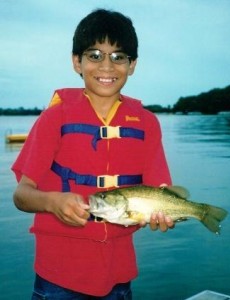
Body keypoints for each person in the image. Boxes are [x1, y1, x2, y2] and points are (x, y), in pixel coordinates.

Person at [12, 8, 174, 300]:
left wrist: (165, 212)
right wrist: (52, 201)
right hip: (57, 277)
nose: (107, 67)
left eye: (118, 56)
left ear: (133, 64)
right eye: (95, 55)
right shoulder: (54, 118)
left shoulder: (148, 123)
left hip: (119, 276)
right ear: (77, 62)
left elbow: (161, 191)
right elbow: (21, 195)